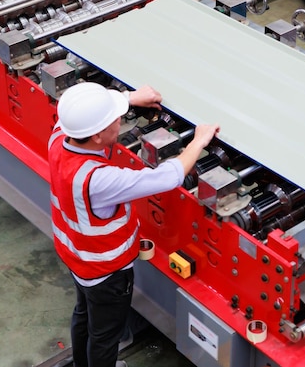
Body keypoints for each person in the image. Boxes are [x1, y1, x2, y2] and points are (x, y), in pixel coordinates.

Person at [48, 82, 220, 367]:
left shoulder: (60, 137)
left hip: (76, 257)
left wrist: (130, 98)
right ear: (99, 136)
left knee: (85, 315)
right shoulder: (98, 179)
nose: (121, 120)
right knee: (105, 336)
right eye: (116, 119)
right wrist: (198, 142)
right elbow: (167, 178)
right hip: (106, 272)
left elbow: (73, 111)